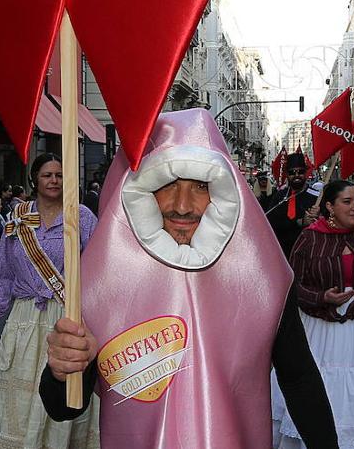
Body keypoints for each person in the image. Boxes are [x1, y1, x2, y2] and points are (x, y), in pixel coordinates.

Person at [40, 109, 336, 447]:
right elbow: (61, 407)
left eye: (199, 185)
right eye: (167, 184)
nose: (182, 206)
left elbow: (298, 378)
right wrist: (64, 370)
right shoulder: (101, 283)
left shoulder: (260, 277)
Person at [272, 180, 354, 448]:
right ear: (329, 206)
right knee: (320, 392)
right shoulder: (309, 238)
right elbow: (292, 286)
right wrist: (322, 298)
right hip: (321, 333)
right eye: (347, 202)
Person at [0, 153, 99, 449]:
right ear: (35, 179)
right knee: (23, 402)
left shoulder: (82, 216)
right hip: (24, 320)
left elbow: (100, 267)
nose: (54, 180)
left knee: (65, 394)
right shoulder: (17, 218)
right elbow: (3, 271)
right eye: (47, 175)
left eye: (60, 175)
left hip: (68, 316)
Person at [265, 152, 320, 256]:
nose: (296, 175)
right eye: (292, 172)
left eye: (300, 171)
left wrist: (319, 217)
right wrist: (299, 222)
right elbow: (269, 223)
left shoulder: (317, 197)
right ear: (287, 174)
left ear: (305, 173)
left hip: (309, 253)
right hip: (283, 253)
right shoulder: (280, 196)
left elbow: (329, 222)